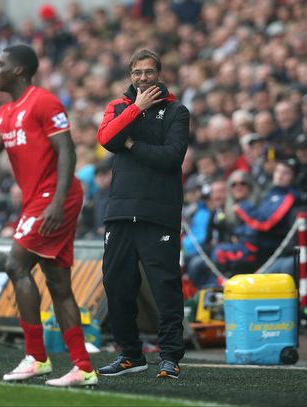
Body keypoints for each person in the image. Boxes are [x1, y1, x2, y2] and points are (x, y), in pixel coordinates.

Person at [0, 44, 97, 387]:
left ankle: (36, 357)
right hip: (35, 200)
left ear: (18, 70)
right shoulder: (3, 112)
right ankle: (82, 366)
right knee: (59, 286)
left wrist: (57, 203)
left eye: (0, 65)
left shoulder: (44, 101)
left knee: (15, 264)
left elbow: (67, 151)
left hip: (54, 198)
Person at [96, 49, 190, 379]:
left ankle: (170, 356)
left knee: (165, 287)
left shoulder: (177, 111)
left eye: (149, 72)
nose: (143, 78)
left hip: (159, 212)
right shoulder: (118, 107)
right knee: (117, 285)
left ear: (159, 74)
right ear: (130, 75)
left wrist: (133, 145)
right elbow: (107, 139)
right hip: (121, 210)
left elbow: (172, 158)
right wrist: (136, 109)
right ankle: (130, 355)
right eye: (137, 73)